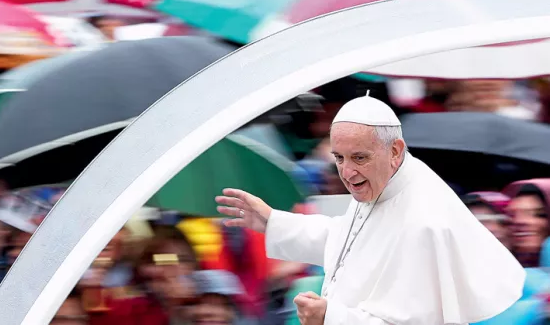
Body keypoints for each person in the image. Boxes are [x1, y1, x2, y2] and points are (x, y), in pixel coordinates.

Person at [216, 95, 525, 325]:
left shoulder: (423, 222)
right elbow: (349, 239)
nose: (347, 173)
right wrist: (273, 222)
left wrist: (330, 317)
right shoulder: (385, 183)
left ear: (395, 151)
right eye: (338, 158)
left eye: (359, 158)